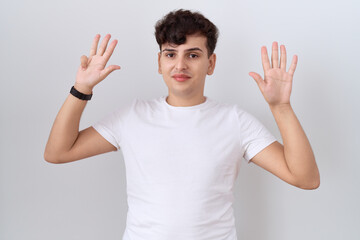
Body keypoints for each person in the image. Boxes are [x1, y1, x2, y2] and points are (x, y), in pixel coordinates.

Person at [44, 9, 320, 240]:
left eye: (193, 55)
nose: (180, 65)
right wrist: (81, 88)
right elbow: (59, 152)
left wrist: (281, 107)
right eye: (170, 54)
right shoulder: (132, 116)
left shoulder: (235, 121)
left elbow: (305, 178)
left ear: (211, 63)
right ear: (159, 61)